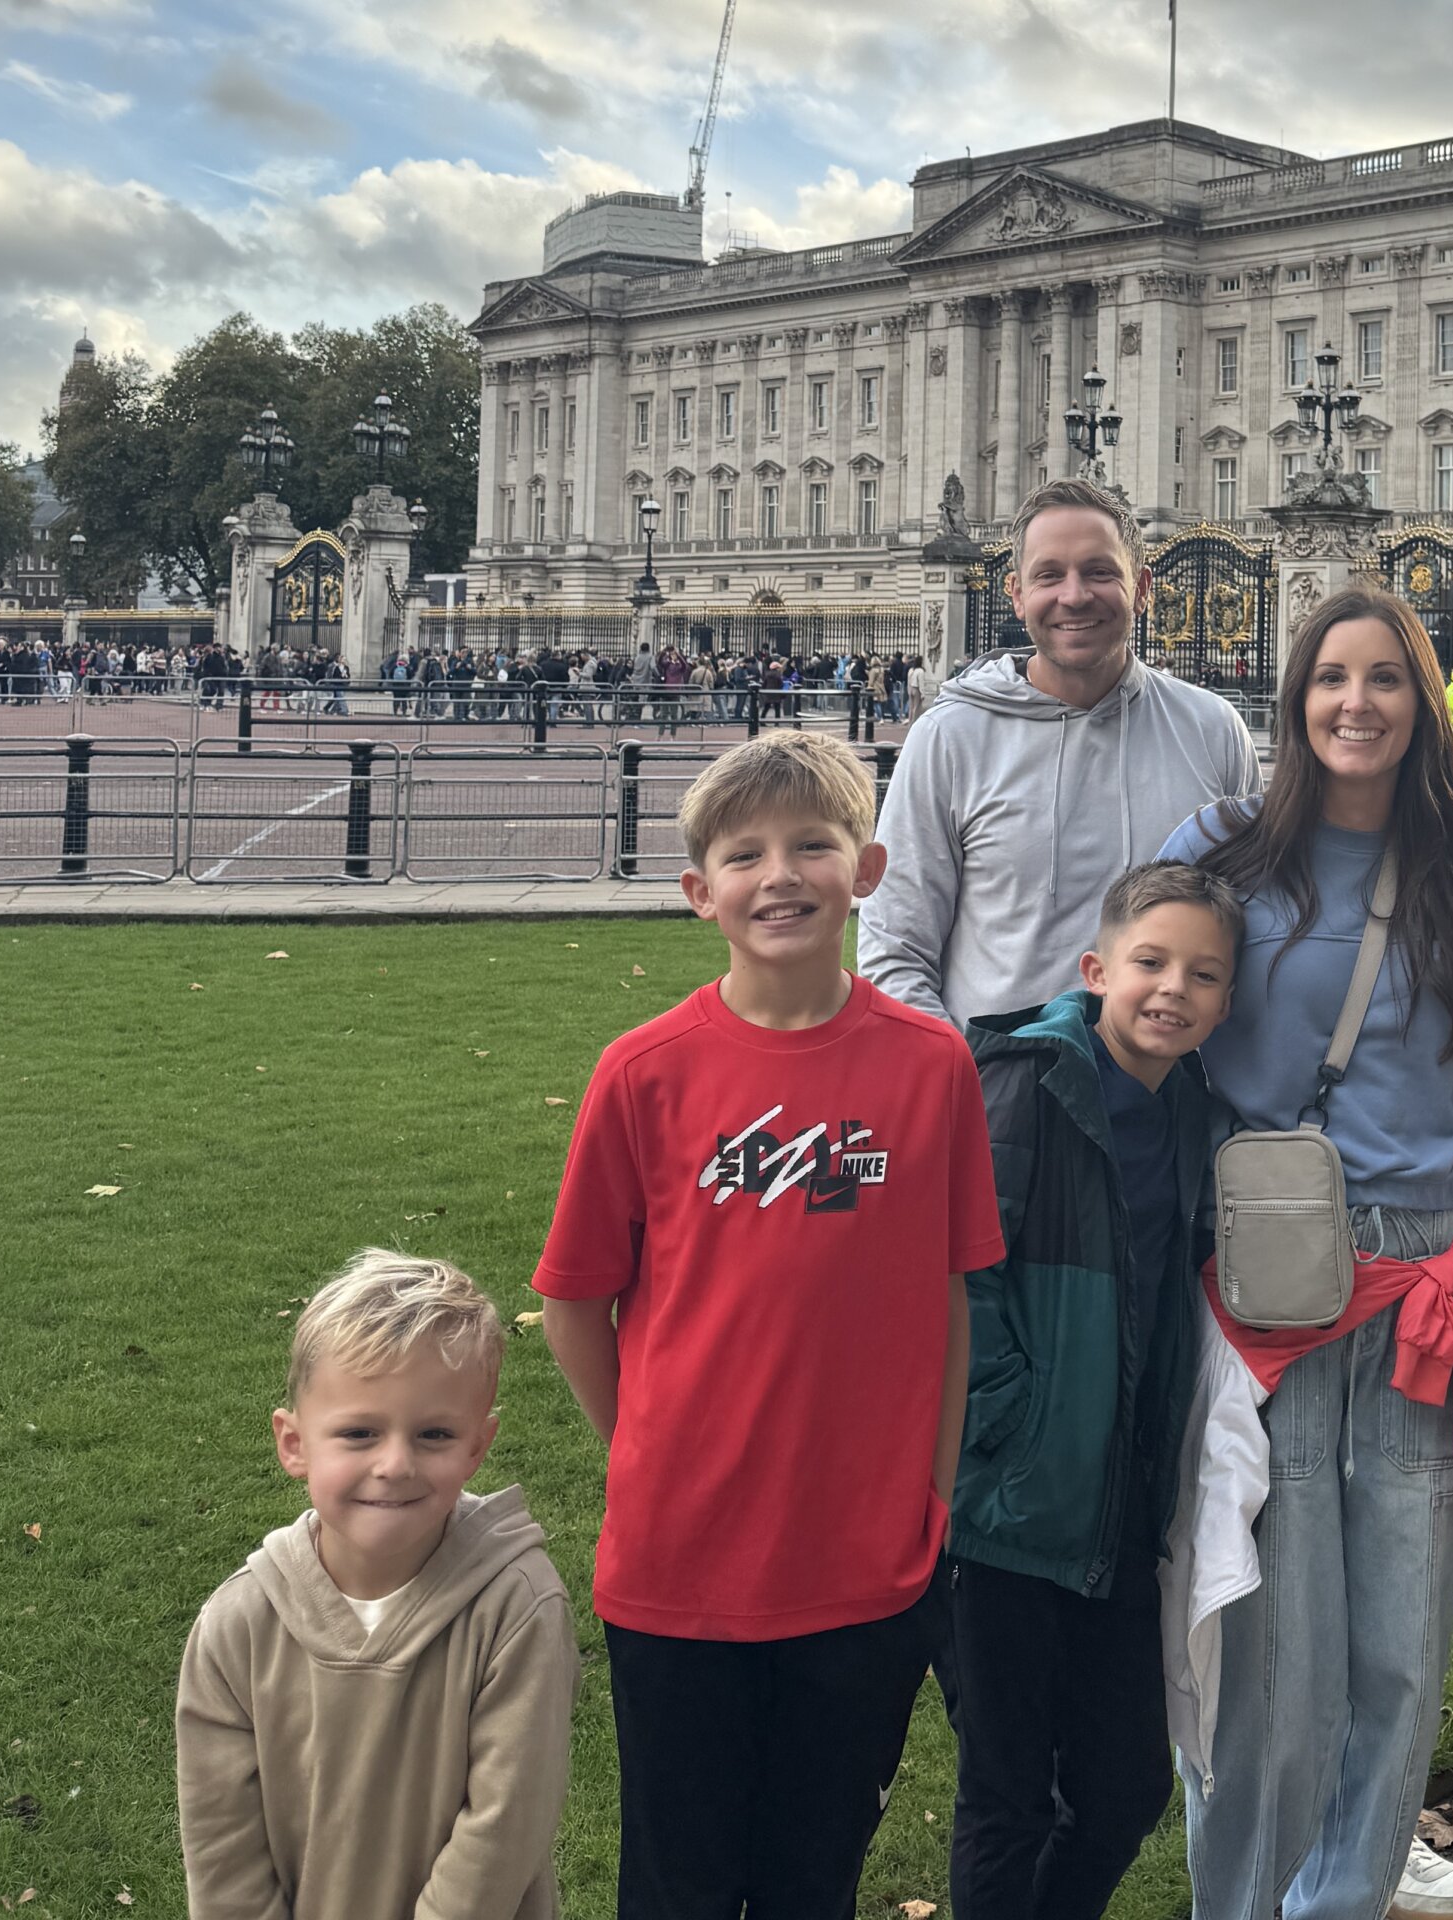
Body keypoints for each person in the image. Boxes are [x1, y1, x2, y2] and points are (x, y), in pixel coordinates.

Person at [536, 732, 1006, 1920]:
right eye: (744, 855)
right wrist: (645, 1448)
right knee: (677, 1884)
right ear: (700, 893)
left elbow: (951, 1294)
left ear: (868, 869)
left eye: (812, 845)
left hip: (865, 1560)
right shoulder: (643, 1072)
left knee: (814, 1876)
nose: (780, 875)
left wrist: (932, 1489)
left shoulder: (931, 1065)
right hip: (678, 1560)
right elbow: (573, 1303)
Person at [1161, 582, 1453, 1920]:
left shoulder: (1449, 862)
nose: (1354, 704)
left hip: (1426, 1276)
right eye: (1330, 678)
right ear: (1295, 699)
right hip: (1279, 1272)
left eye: (1382, 679)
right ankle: (1241, 1900)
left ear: (1422, 705)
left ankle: (1345, 1896)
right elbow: (1145, 1005)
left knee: (1401, 1636)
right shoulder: (1225, 848)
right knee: (1275, 1647)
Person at [945, 860, 1242, 1920]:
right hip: (1003, 1517)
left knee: (1124, 1788)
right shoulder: (1026, 1081)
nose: (1173, 990)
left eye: (1203, 975)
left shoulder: (1192, 1106)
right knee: (1008, 1799)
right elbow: (957, 1270)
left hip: (1115, 1511)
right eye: (1150, 962)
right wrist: (1004, 1422)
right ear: (1095, 969)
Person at [177, 1250, 579, 1920]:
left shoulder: (517, 1608)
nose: (394, 1464)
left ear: (477, 1446)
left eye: (434, 1434)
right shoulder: (238, 1624)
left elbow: (503, 1832)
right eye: (360, 1433)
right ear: (293, 1443)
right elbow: (223, 1854)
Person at [861, 476, 1260, 1029]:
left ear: (1142, 588)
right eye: (1049, 575)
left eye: (1099, 572)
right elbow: (895, 948)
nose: (1074, 596)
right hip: (997, 1076)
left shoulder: (1214, 730)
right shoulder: (948, 737)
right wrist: (962, 1069)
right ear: (1017, 594)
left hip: (1176, 1079)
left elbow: (1251, 928)